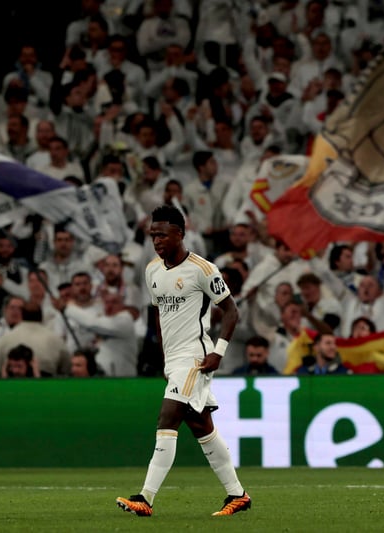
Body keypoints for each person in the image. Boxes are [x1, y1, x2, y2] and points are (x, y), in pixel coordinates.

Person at [116, 204, 251, 518]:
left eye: (162, 235)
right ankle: (238, 495)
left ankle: (145, 498)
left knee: (167, 419)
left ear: (180, 234)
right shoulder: (152, 270)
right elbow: (159, 315)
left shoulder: (202, 269)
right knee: (201, 426)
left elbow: (231, 311)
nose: (157, 241)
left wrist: (219, 351)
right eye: (153, 235)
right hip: (174, 360)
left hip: (195, 357)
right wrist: (165, 358)